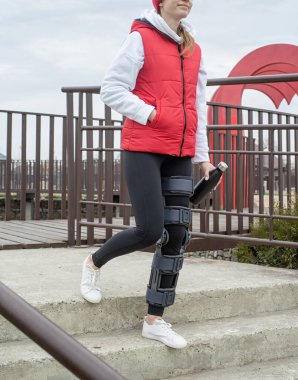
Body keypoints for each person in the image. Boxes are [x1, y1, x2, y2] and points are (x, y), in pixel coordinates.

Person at [80, 0, 219, 349]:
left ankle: (155, 318)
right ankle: (94, 262)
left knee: (176, 235)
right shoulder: (141, 37)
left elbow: (197, 108)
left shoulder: (194, 49)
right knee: (150, 229)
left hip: (180, 152)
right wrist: (154, 114)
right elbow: (111, 89)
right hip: (143, 145)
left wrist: (202, 158)